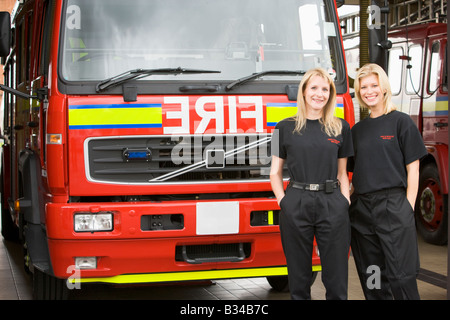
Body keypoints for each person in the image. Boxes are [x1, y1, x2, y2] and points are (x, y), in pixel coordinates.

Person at [270, 68, 353, 300]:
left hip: (332, 203)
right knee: (299, 279)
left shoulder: (341, 127)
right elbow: (275, 173)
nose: (320, 94)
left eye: (325, 89)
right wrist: (283, 202)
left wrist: (344, 201)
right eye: (314, 88)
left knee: (336, 280)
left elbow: (342, 173)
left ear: (331, 94)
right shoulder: (282, 128)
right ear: (304, 91)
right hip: (296, 202)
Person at [348, 63, 427, 300]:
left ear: (384, 88)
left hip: (393, 205)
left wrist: (407, 206)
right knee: (372, 274)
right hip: (362, 210)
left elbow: (413, 170)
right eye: (364, 87)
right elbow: (354, 173)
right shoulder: (357, 130)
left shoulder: (401, 122)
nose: (369, 91)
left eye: (374, 85)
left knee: (401, 274)